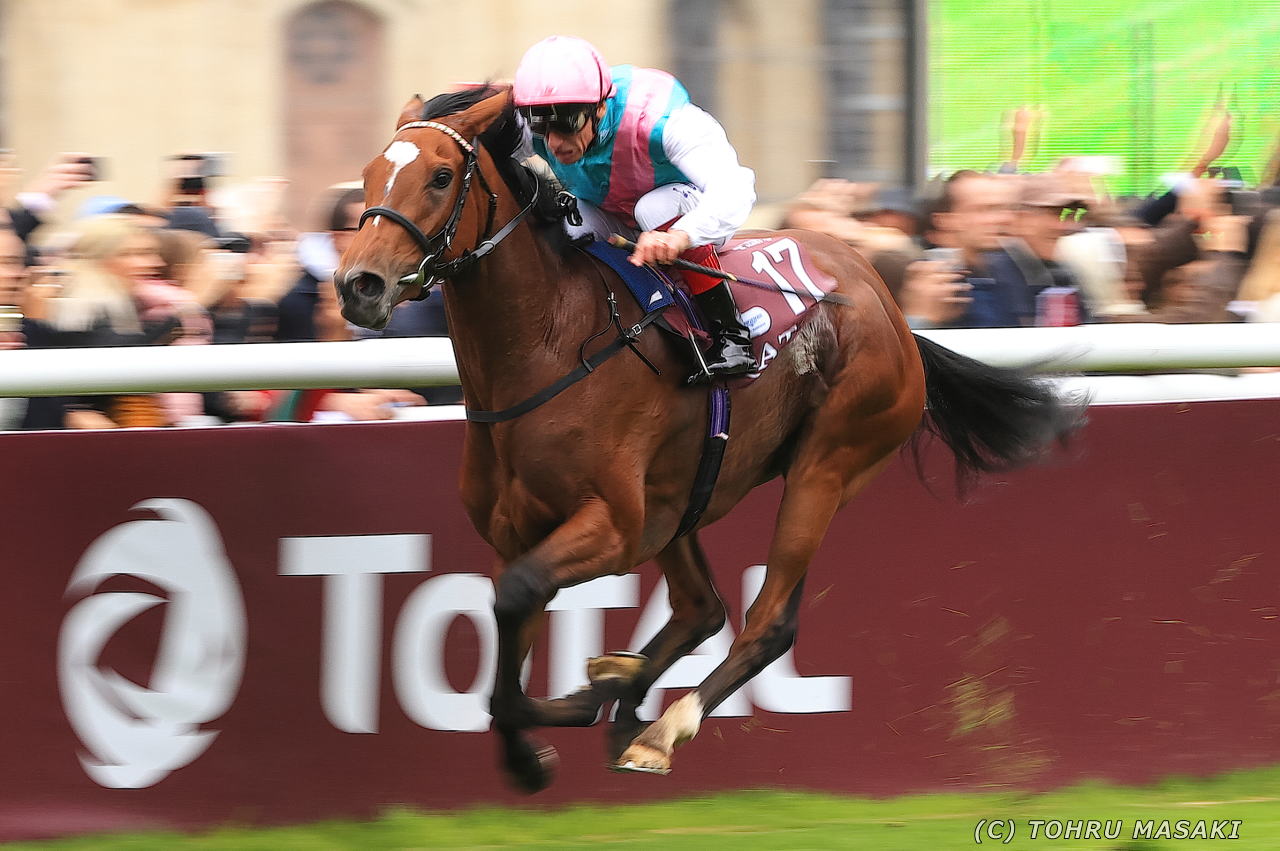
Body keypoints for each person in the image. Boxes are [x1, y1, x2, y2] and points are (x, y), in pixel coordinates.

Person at [512, 35, 757, 382]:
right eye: (541, 126)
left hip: (682, 210)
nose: (553, 142)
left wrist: (681, 235)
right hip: (612, 213)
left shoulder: (662, 120)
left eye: (567, 124)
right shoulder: (535, 127)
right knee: (568, 226)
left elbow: (736, 187)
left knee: (652, 210)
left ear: (599, 108)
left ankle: (732, 337)